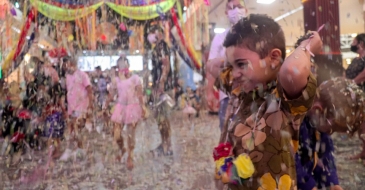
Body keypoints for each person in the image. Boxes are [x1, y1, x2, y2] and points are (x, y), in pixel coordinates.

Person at [213, 14, 322, 189]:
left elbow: (292, 72)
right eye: (231, 66)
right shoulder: (240, 88)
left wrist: (307, 46)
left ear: (274, 58)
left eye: (241, 64)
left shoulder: (284, 97)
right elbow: (211, 65)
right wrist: (232, 59)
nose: (233, 73)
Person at [296, 77, 365, 190]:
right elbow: (293, 162)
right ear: (318, 110)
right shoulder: (294, 122)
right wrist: (309, 186)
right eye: (330, 130)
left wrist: (332, 183)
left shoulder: (318, 121)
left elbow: (326, 153)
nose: (330, 133)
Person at [207, 0, 247, 131]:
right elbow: (210, 66)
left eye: (239, 7)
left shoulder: (254, 36)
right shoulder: (220, 38)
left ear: (246, 10)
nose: (236, 11)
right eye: (232, 8)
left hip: (252, 96)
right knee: (227, 139)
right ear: (226, 13)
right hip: (227, 97)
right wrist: (209, 92)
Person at [104, 56, 145, 170]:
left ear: (128, 65)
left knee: (131, 133)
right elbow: (111, 94)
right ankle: (122, 149)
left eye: (124, 64)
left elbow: (140, 94)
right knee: (115, 133)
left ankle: (130, 157)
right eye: (120, 65)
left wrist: (143, 107)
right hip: (120, 107)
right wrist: (105, 105)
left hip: (133, 107)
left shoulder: (135, 78)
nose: (123, 67)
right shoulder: (116, 80)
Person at [147, 22, 174, 156]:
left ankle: (167, 146)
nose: (151, 35)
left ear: (160, 34)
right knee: (159, 117)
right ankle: (164, 143)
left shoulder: (162, 46)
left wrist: (162, 83)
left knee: (163, 118)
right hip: (159, 87)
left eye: (154, 32)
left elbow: (166, 65)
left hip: (163, 87)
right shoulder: (156, 48)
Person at [64, 56, 94, 148]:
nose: (66, 66)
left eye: (68, 64)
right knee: (73, 127)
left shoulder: (82, 75)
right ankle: (78, 147)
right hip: (71, 106)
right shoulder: (68, 76)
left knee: (78, 126)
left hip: (82, 105)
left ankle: (81, 147)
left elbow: (89, 90)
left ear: (73, 64)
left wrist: (90, 105)